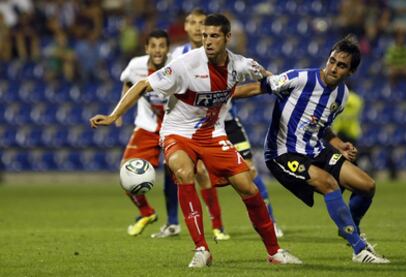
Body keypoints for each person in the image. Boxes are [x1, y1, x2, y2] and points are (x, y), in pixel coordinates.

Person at [90, 13, 301, 268]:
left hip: (213, 134)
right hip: (178, 131)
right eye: (204, 36)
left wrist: (282, 85)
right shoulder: (185, 64)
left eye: (214, 36)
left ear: (227, 38)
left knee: (248, 187)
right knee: (182, 171)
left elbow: (268, 78)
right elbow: (143, 84)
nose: (208, 41)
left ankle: (274, 252)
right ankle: (201, 248)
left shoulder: (241, 65)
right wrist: (114, 116)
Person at [262, 35, 390, 263]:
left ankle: (350, 229)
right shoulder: (302, 78)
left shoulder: (342, 96)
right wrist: (219, 97)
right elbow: (258, 87)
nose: (333, 68)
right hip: (284, 152)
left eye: (341, 65)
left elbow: (321, 126)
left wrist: (339, 144)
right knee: (330, 185)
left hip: (315, 149)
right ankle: (359, 249)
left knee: (367, 186)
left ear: (350, 72)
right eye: (332, 61)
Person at [172, 8, 284, 238]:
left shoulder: (228, 57)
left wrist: (271, 85)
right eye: (192, 23)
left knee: (249, 171)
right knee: (196, 173)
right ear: (188, 28)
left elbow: (256, 75)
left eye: (202, 25)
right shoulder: (180, 57)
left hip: (228, 122)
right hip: (196, 127)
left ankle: (270, 222)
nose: (197, 29)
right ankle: (213, 226)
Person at [115, 29, 179, 236]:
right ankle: (146, 212)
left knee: (176, 176)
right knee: (126, 172)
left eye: (162, 46)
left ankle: (173, 223)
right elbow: (127, 82)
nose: (158, 50)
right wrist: (120, 111)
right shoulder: (136, 66)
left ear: (168, 49)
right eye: (153, 46)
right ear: (146, 48)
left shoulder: (178, 64)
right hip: (147, 126)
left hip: (174, 126)